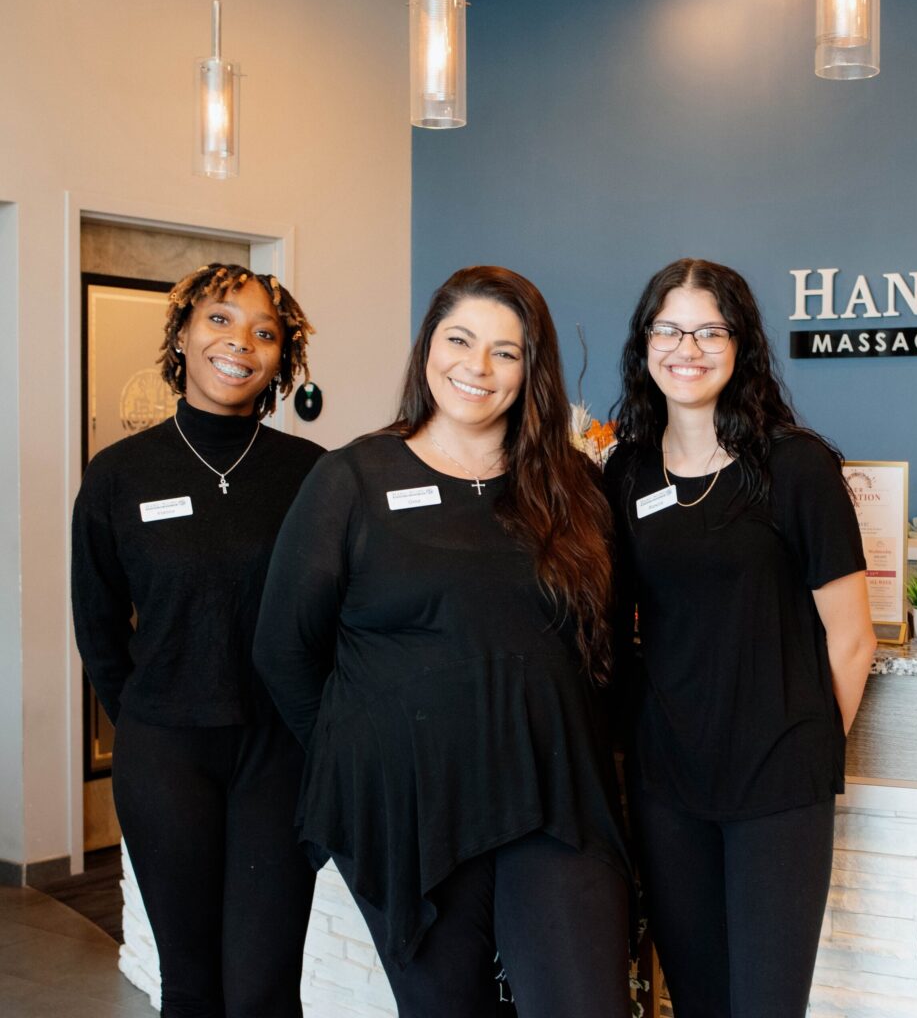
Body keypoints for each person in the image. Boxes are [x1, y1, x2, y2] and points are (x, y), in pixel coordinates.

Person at [253, 265, 633, 1018]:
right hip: (410, 808)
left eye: (505, 351)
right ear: (428, 346)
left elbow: (609, 647)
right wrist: (368, 750)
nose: (477, 367)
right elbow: (283, 649)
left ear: (532, 370)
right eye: (459, 339)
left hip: (553, 797)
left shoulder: (572, 485)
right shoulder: (351, 479)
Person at [605, 258, 876, 1018]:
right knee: (695, 1000)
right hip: (668, 781)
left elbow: (851, 639)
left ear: (741, 345)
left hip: (775, 787)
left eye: (708, 329)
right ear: (644, 341)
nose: (685, 346)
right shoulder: (624, 472)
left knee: (764, 1004)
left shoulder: (795, 466)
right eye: (668, 327)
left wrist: (803, 755)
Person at [71, 263, 325, 1018]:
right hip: (166, 754)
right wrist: (150, 715)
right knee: (190, 987)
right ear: (181, 334)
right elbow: (99, 626)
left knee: (264, 988)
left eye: (265, 332)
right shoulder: (119, 474)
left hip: (278, 756)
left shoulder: (314, 475)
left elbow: (333, 620)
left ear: (283, 359)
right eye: (219, 320)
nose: (240, 342)